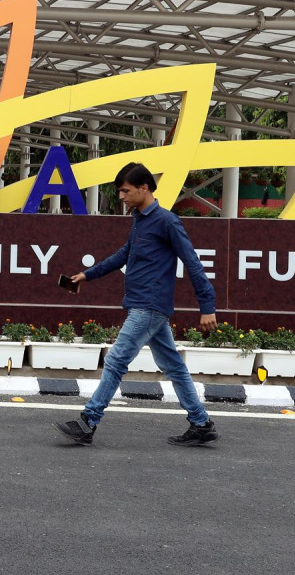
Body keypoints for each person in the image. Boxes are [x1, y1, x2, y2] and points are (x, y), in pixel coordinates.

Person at [54, 162, 220, 447]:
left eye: (126, 191)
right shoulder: (140, 219)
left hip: (149, 305)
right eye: (120, 191)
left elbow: (192, 262)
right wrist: (87, 275)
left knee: (117, 360)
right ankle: (201, 422)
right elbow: (125, 254)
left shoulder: (167, 221)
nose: (122, 197)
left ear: (144, 188)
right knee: (174, 367)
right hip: (144, 304)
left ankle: (88, 421)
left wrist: (207, 305)